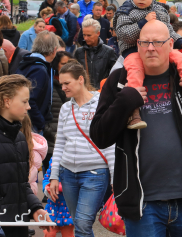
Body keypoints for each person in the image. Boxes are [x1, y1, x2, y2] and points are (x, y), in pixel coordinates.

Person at [90, 20, 182, 235]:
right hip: (142, 204)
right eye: (145, 42)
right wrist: (125, 101)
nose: (151, 48)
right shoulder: (119, 80)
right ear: (137, 44)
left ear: (170, 44)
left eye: (157, 42)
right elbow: (99, 136)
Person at [0, 75, 51, 236]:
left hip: (17, 224)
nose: (29, 107)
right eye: (24, 101)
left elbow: (21, 183)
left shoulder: (19, 138)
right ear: (7, 101)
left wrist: (35, 208)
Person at [113, 0, 182, 127]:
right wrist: (143, 22)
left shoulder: (160, 11)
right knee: (135, 71)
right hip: (133, 50)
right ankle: (134, 112)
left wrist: (180, 42)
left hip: (159, 50)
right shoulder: (125, 11)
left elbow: (168, 30)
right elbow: (124, 34)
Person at [47, 61, 114, 237]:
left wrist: (115, 177)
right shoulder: (65, 108)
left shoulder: (101, 104)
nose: (63, 88)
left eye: (66, 83)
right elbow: (60, 143)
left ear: (80, 79)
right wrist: (54, 176)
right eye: (61, 84)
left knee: (83, 224)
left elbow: (110, 143)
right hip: (67, 174)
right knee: (78, 224)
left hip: (95, 174)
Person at [16, 31, 57, 133]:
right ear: (54, 50)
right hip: (31, 124)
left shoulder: (28, 62)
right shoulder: (39, 69)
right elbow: (30, 100)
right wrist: (40, 122)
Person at [74, 17, 118, 89]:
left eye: (89, 35)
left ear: (98, 33)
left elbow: (115, 75)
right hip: (84, 93)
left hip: (102, 93)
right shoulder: (79, 52)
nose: (85, 38)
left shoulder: (109, 52)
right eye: (84, 35)